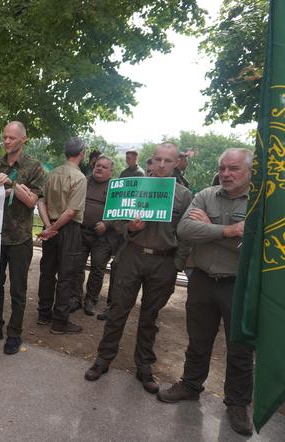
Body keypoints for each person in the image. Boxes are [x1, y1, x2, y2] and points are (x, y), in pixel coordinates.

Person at [158, 148, 254, 436]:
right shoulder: (205, 195)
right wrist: (228, 231)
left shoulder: (260, 203)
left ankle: (237, 403)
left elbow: (253, 244)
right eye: (222, 168)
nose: (225, 174)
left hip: (238, 284)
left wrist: (211, 229)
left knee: (240, 347)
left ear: (249, 171)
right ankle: (190, 384)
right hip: (201, 280)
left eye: (233, 168)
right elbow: (185, 230)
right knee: (198, 340)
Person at [84, 142, 192, 395]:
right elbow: (116, 220)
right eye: (158, 160)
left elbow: (187, 235)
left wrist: (176, 264)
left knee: (150, 317)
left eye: (168, 160)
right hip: (132, 255)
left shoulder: (184, 196)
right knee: (118, 310)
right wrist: (129, 228)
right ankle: (103, 359)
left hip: (164, 262)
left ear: (177, 163)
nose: (162, 165)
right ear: (151, 162)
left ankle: (144, 366)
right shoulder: (133, 188)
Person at [0, 121, 45, 354]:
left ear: (23, 139)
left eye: (11, 138)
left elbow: (33, 201)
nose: (6, 141)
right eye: (4, 137)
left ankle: (15, 334)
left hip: (20, 238)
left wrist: (12, 185)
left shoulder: (34, 167)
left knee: (18, 289)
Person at [35, 137, 87, 335]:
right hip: (69, 230)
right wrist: (54, 228)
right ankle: (60, 322)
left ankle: (43, 314)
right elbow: (71, 212)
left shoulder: (53, 173)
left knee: (47, 272)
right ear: (82, 153)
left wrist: (48, 227)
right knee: (66, 275)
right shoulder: (79, 178)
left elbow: (41, 202)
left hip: (52, 228)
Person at [73, 155, 120, 317]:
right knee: (77, 266)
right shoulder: (84, 181)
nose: (99, 168)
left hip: (103, 236)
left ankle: (91, 300)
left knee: (97, 268)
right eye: (97, 166)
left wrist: (106, 223)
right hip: (82, 231)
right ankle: (76, 298)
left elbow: (120, 209)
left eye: (104, 167)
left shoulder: (116, 187)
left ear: (111, 170)